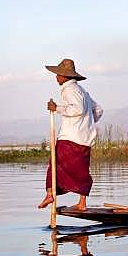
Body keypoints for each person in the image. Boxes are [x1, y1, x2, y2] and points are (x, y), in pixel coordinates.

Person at [37, 59, 103, 212]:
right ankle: (82, 203)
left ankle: (50, 194)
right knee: (81, 171)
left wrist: (57, 108)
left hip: (70, 137)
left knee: (55, 164)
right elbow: (98, 110)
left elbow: (77, 109)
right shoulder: (83, 91)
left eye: (58, 75)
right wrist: (87, 124)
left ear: (65, 77)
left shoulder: (69, 89)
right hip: (84, 138)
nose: (56, 78)